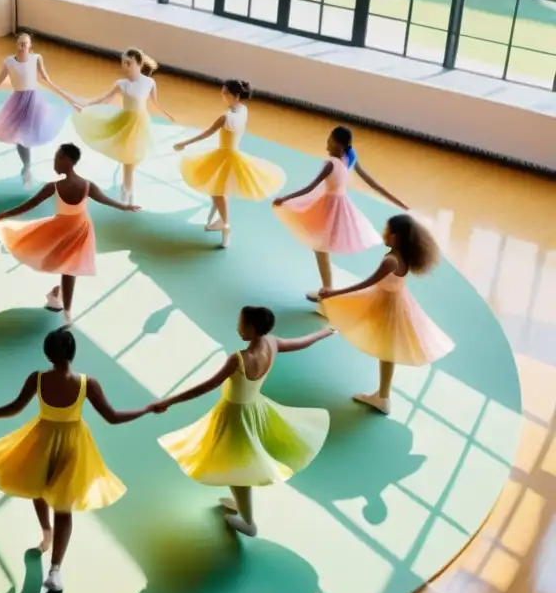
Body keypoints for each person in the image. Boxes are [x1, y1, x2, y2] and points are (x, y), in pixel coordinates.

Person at [0, 327, 156, 592]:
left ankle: (46, 532)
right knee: (63, 506)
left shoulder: (38, 379)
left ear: (47, 354)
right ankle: (55, 569)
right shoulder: (87, 383)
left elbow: (13, 409)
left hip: (41, 439)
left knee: (38, 488)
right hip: (72, 444)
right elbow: (112, 417)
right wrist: (145, 409)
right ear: (73, 352)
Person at [154, 306, 334, 537]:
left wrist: (170, 401)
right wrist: (324, 332)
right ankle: (241, 506)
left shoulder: (238, 359)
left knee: (237, 465)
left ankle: (248, 522)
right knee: (237, 463)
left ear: (251, 328)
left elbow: (206, 386)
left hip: (235, 415)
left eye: (241, 323)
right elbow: (303, 342)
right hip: (255, 408)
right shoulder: (273, 343)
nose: (238, 327)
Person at [318, 214, 454, 414]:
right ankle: (383, 395)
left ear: (396, 237)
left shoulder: (390, 260)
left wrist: (334, 292)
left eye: (387, 231)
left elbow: (367, 282)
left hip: (386, 304)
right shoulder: (404, 257)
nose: (384, 233)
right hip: (396, 301)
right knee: (386, 349)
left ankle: (383, 396)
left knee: (384, 347)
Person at [0, 143, 139, 326]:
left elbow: (104, 199)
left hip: (77, 230)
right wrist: (125, 207)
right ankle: (58, 297)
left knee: (70, 269)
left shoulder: (70, 186)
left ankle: (65, 307)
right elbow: (30, 204)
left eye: (57, 158)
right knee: (65, 267)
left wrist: (124, 207)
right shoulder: (73, 186)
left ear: (67, 161)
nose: (54, 162)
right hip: (68, 227)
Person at [274, 126, 407, 301]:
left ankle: (327, 290)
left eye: (330, 139)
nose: (327, 142)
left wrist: (285, 198)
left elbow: (310, 187)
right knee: (320, 246)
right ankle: (326, 288)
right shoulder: (349, 157)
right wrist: (397, 201)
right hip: (341, 205)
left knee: (320, 246)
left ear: (339, 144)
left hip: (328, 206)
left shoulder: (330, 163)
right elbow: (370, 181)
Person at [174, 79, 284, 248]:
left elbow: (206, 134)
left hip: (225, 156)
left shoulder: (226, 117)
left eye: (225, 92)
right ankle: (221, 220)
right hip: (231, 154)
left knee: (217, 191)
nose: (222, 94)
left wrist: (184, 143)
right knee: (219, 187)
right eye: (223, 91)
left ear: (236, 96)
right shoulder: (243, 110)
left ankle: (226, 226)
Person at [0, 32, 79, 187]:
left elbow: (48, 81)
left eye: (25, 43)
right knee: (20, 137)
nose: (22, 46)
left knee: (28, 135)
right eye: (20, 43)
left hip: (34, 102)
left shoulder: (36, 59)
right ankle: (27, 167)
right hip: (17, 102)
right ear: (16, 44)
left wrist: (71, 101)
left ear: (30, 45)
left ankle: (27, 167)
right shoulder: (9, 62)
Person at [72, 47, 175, 204]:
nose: (125, 66)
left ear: (139, 64)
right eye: (124, 63)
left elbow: (155, 102)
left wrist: (167, 114)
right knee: (129, 158)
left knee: (134, 157)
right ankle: (128, 190)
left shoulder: (149, 82)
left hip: (141, 122)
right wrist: (86, 106)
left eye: (129, 63)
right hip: (125, 122)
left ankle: (127, 188)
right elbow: (104, 99)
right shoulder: (121, 84)